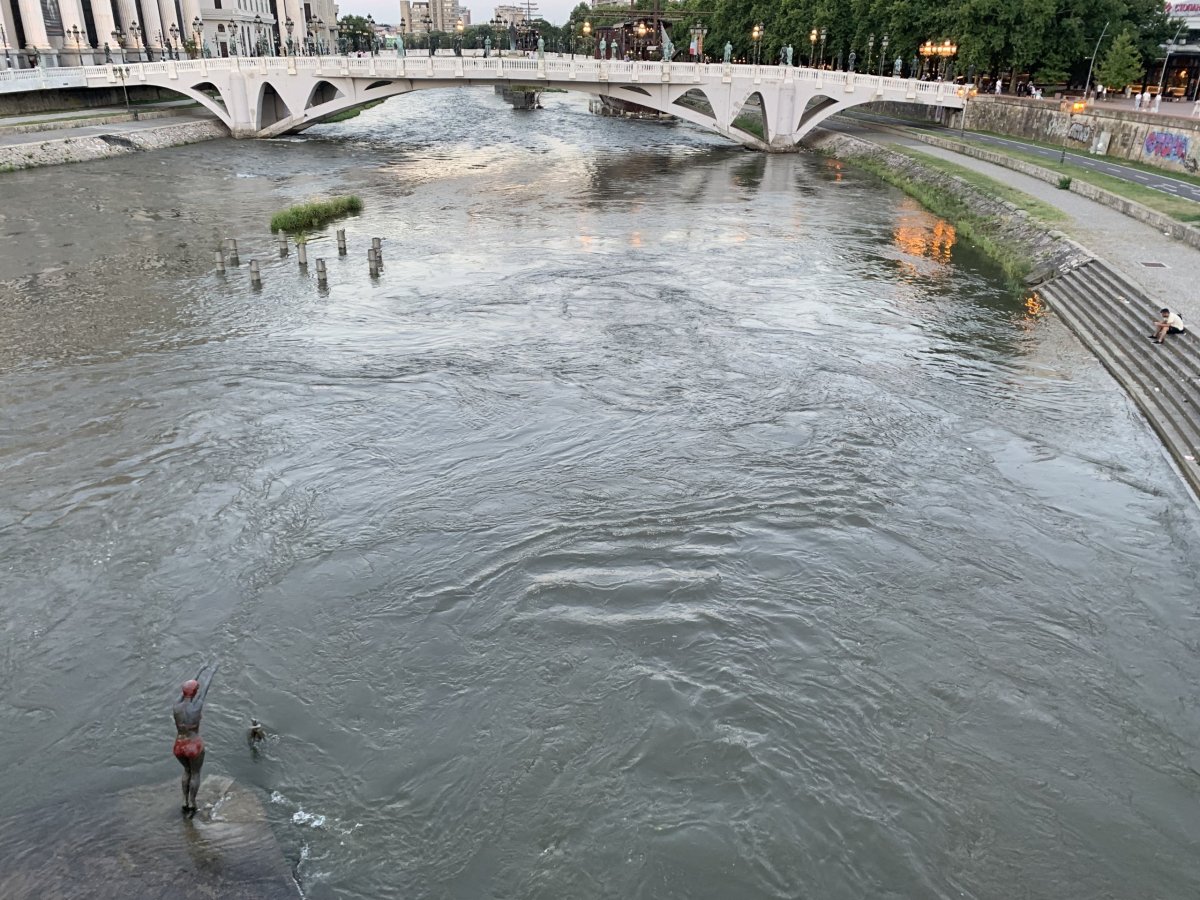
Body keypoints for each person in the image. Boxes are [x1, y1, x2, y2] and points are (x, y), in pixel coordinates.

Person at [172, 661, 218, 815]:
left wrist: (199, 670)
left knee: (186, 770)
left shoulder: (176, 706)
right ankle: (192, 802)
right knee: (195, 773)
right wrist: (211, 672)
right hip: (193, 745)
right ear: (195, 692)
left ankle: (184, 800)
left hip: (179, 745)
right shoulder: (196, 706)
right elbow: (205, 689)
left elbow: (187, 691)